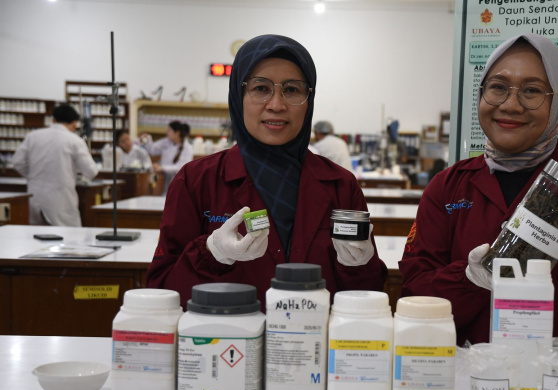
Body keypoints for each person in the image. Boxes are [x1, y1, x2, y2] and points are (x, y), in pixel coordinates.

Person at [399, 33, 558, 353]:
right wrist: (468, 280)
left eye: (532, 91)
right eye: (498, 87)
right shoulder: (448, 186)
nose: (510, 105)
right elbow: (414, 297)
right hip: (474, 374)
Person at [146, 34, 387, 309]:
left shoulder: (340, 186)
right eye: (261, 88)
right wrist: (212, 253)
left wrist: (359, 265)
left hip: (318, 335)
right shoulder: (196, 181)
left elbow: (369, 297)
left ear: (309, 99)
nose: (276, 105)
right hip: (227, 334)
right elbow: (161, 292)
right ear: (238, 95)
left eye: (292, 90)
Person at [11, 103, 98, 226]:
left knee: (35, 235)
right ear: (75, 123)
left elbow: (17, 162)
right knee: (68, 235)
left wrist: (33, 176)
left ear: (53, 120)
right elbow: (90, 171)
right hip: (61, 201)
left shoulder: (33, 136)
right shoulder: (74, 140)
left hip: (35, 197)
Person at [139, 121, 193, 193]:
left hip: (178, 181)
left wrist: (162, 167)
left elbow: (181, 167)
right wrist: (147, 140)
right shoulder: (166, 142)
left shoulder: (187, 148)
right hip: (164, 179)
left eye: (169, 130)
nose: (167, 132)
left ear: (177, 133)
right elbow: (153, 150)